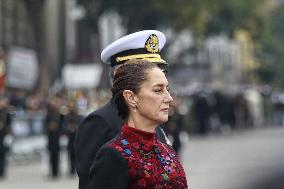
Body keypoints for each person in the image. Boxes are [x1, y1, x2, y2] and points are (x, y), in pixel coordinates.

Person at [75, 30, 171, 189]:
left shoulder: (151, 121)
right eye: (144, 72)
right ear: (120, 75)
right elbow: (91, 182)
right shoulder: (100, 122)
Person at [90, 60, 188, 188]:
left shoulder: (166, 149)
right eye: (158, 90)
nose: (169, 98)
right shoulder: (113, 155)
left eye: (167, 90)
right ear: (131, 97)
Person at [45, 95, 64, 179]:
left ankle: (56, 172)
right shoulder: (49, 113)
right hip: (50, 137)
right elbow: (45, 124)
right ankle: (52, 172)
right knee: (51, 155)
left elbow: (62, 124)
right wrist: (49, 126)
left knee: (57, 155)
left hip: (57, 137)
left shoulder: (60, 114)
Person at [0, 96, 11, 179]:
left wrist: (9, 135)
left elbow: (9, 125)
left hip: (4, 135)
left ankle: (2, 172)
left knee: (3, 155)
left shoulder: (7, 113)